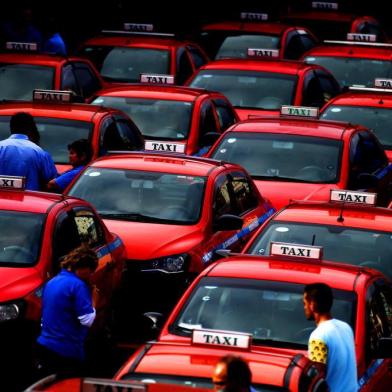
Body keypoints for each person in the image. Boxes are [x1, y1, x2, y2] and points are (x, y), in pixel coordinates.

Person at [35, 244, 99, 378]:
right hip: (66, 351)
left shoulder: (52, 281)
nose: (91, 274)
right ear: (84, 268)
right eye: (91, 270)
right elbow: (87, 320)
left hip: (44, 346)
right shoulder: (78, 285)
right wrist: (94, 299)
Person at [303, 283, 357, 392]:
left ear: (312, 305)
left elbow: (316, 381)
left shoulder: (318, 336)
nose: (304, 307)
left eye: (304, 303)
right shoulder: (346, 327)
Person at [0, 112, 57, 191]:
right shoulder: (39, 152)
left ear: (10, 127)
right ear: (30, 129)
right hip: (30, 201)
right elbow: (51, 181)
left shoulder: (1, 147)